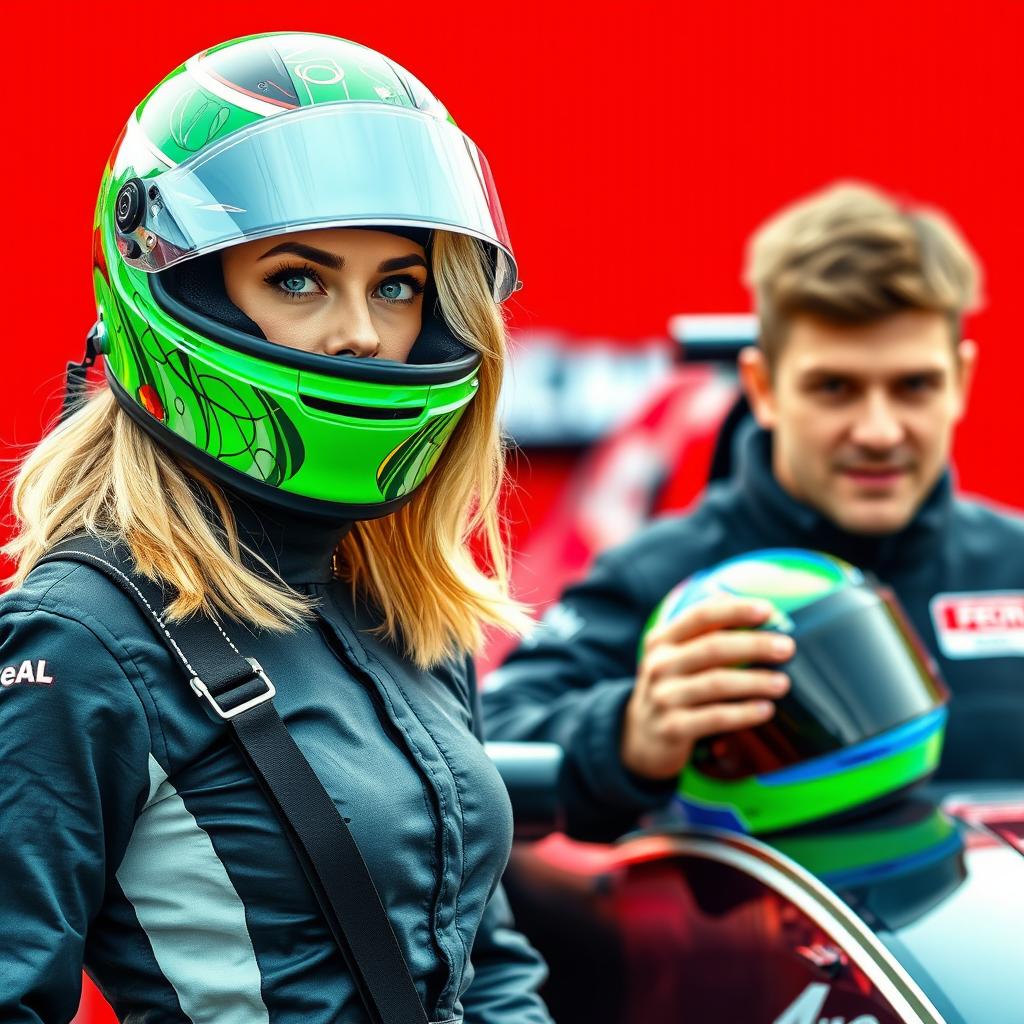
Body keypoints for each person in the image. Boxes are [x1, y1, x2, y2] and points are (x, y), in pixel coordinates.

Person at [0, 32, 552, 1024]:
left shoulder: (404, 607)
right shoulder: (81, 636)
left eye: (397, 284)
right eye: (299, 280)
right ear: (184, 289)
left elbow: (488, 965)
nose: (361, 333)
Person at [483, 182, 1024, 841]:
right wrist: (629, 731)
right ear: (763, 387)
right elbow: (487, 747)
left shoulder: (1013, 565)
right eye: (835, 388)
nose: (880, 430)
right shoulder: (661, 577)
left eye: (914, 386)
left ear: (961, 382)